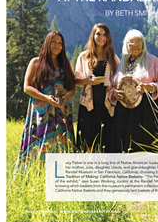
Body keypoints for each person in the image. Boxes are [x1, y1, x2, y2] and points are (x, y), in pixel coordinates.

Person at [15, 31, 76, 172]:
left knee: (62, 145)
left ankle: (61, 180)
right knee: (38, 144)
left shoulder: (66, 64)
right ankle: (33, 176)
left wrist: (65, 95)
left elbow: (73, 89)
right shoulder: (36, 62)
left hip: (62, 112)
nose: (57, 45)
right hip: (41, 112)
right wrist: (46, 98)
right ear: (47, 43)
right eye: (54, 42)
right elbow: (27, 87)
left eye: (60, 43)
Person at [108, 29, 158, 153]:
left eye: (139, 41)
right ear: (126, 45)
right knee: (125, 146)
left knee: (146, 145)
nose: (135, 45)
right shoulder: (122, 63)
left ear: (143, 44)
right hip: (123, 113)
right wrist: (114, 94)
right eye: (132, 42)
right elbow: (113, 86)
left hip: (146, 111)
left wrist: (149, 87)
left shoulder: (153, 61)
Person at [75, 23, 120, 153]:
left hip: (107, 106)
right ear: (93, 36)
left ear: (108, 38)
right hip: (88, 105)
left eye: (104, 35)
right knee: (87, 142)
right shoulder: (83, 56)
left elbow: (119, 80)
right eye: (98, 34)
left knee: (106, 142)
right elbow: (75, 81)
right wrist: (87, 81)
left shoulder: (113, 58)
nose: (101, 37)